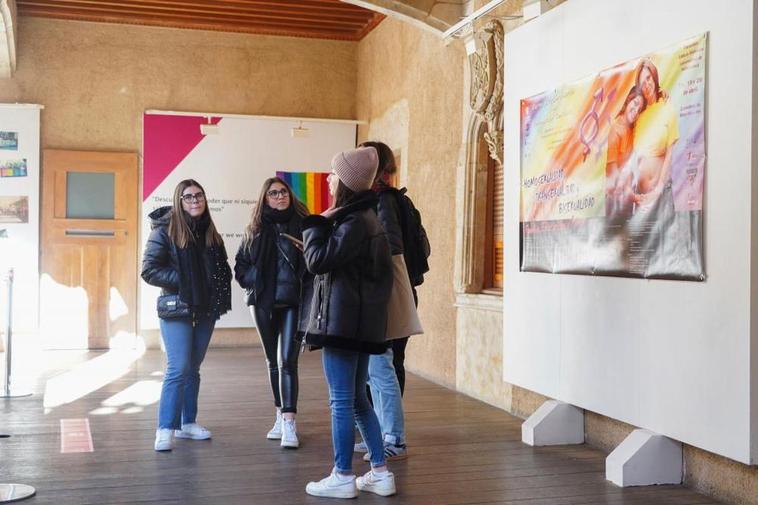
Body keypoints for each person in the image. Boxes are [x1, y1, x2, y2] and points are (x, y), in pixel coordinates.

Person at [301, 146, 397, 498]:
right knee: (357, 400)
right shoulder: (366, 218)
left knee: (341, 401)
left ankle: (342, 474)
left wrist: (315, 223)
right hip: (358, 324)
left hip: (343, 324)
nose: (328, 177)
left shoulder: (353, 222)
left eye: (332, 173)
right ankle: (380, 472)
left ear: (344, 181)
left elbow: (317, 260)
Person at [141, 179, 232, 452]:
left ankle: (188, 423)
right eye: (188, 197)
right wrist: (186, 279)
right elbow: (149, 270)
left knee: (193, 367)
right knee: (178, 367)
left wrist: (219, 280)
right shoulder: (164, 232)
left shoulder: (211, 233)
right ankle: (166, 427)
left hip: (206, 307)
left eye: (199, 196)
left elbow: (221, 267)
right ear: (179, 201)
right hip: (178, 306)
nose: (195, 201)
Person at [354, 140, 424, 462]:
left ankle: (392, 438)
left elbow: (390, 250)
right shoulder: (393, 200)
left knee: (382, 368)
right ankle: (382, 433)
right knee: (384, 367)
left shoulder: (383, 201)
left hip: (386, 296)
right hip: (398, 293)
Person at [234, 177, 309, 449]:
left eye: (283, 192)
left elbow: (314, 261)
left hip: (292, 300)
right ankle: (279, 413)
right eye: (274, 193)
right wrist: (257, 279)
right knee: (271, 360)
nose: (280, 196)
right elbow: (240, 266)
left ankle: (289, 422)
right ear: (265, 199)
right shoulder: (254, 228)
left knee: (287, 360)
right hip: (262, 301)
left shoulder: (303, 224)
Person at [605, 86, 646, 217]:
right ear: (628, 100)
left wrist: (662, 94)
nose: (635, 112)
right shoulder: (615, 129)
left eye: (639, 110)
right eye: (634, 104)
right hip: (615, 198)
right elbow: (613, 173)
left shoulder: (633, 128)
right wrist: (633, 196)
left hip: (628, 194)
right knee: (615, 237)